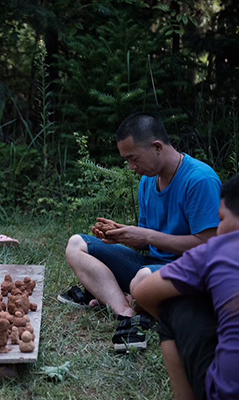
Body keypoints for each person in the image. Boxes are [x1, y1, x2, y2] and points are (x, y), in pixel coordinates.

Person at [58, 112, 221, 352]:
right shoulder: (148, 180)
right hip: (150, 266)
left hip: (192, 272)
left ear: (156, 147)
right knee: (76, 244)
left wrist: (145, 236)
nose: (132, 167)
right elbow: (148, 239)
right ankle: (127, 311)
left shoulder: (200, 179)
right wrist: (122, 235)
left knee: (143, 279)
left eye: (133, 159)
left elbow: (210, 246)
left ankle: (116, 298)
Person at [132, 173, 239, 400]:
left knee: (171, 304)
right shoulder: (147, 183)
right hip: (150, 261)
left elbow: (143, 292)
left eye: (221, 219)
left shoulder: (218, 248)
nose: (218, 229)